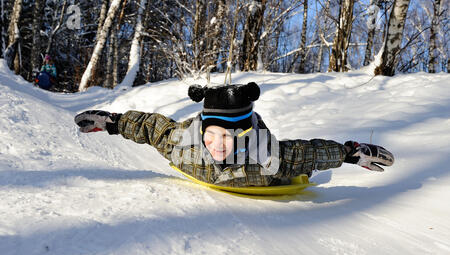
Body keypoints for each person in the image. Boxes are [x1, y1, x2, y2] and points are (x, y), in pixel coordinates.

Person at [74, 82, 394, 187]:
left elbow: (306, 152)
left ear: (242, 138)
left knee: (297, 168)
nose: (216, 145)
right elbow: (151, 128)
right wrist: (113, 122)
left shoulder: (266, 158)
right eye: (210, 135)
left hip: (264, 168)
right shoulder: (185, 147)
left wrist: (349, 152)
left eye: (227, 138)